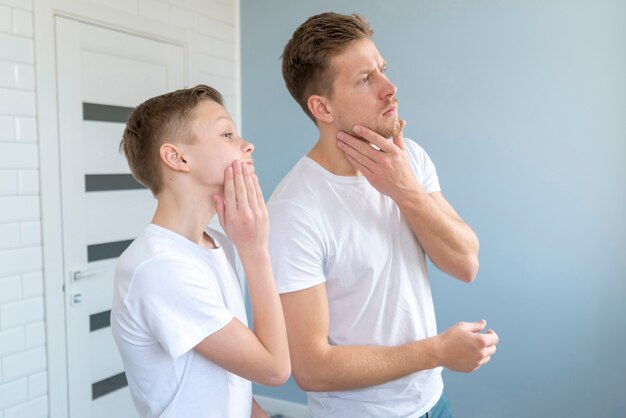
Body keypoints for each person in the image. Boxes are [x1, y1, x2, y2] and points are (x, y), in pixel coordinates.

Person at [268, 12, 499, 417]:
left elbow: (465, 263)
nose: (390, 89)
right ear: (322, 107)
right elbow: (311, 368)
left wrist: (405, 191)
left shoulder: (408, 161)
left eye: (383, 70)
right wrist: (437, 352)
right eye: (364, 79)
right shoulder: (295, 210)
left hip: (432, 403)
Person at [111, 85, 290, 418]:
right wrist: (255, 250)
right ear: (177, 158)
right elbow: (274, 369)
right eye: (226, 134)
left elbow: (226, 369)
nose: (247, 144)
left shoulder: (217, 243)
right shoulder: (159, 267)